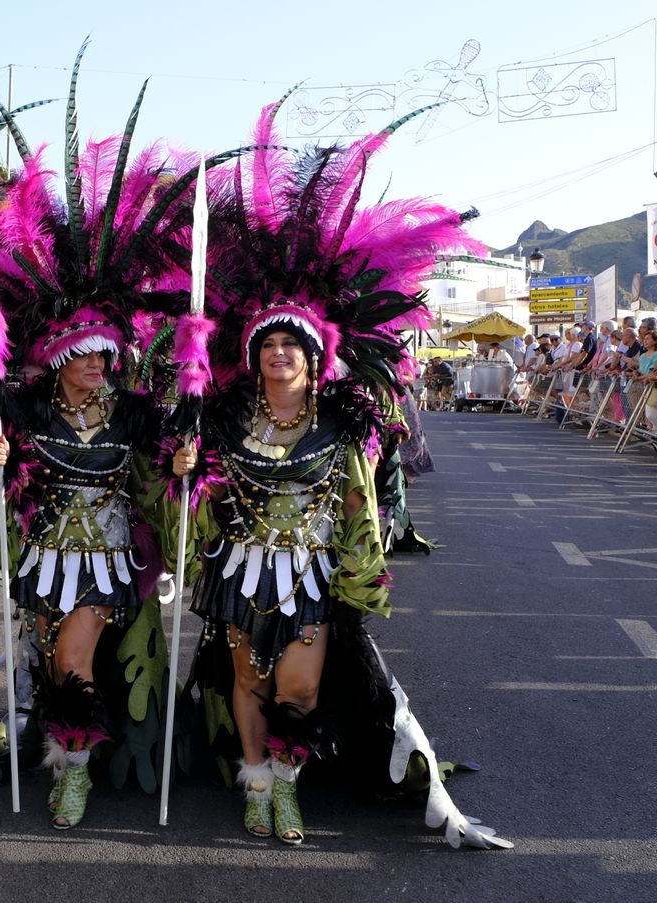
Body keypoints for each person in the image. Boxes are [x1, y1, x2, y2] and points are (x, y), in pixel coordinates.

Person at [171, 112, 508, 850]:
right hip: (241, 569)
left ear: (314, 357)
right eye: (269, 344)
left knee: (301, 687)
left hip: (311, 573)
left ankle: (286, 783)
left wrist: (364, 572)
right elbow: (203, 501)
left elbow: (361, 505)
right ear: (254, 355)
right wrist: (189, 477)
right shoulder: (223, 420)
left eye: (293, 344)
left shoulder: (342, 424)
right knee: (248, 681)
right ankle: (259, 786)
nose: (280, 354)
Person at [0, 130, 198, 829]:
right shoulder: (25, 408)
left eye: (108, 351)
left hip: (104, 557)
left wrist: (179, 470)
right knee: (52, 658)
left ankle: (72, 772)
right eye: (87, 353)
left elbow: (161, 478)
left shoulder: (135, 414)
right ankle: (67, 747)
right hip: (42, 555)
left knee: (73, 656)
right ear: (60, 355)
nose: (100, 361)